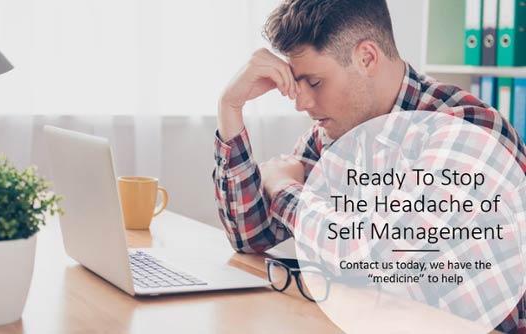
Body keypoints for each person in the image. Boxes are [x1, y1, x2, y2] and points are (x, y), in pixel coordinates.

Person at [212, 0, 526, 332]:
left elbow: (374, 256)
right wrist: (229, 107)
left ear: (367, 58)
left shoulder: (467, 130)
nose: (302, 103)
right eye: (297, 85)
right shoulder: (334, 135)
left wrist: (285, 189)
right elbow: (250, 235)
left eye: (315, 83)